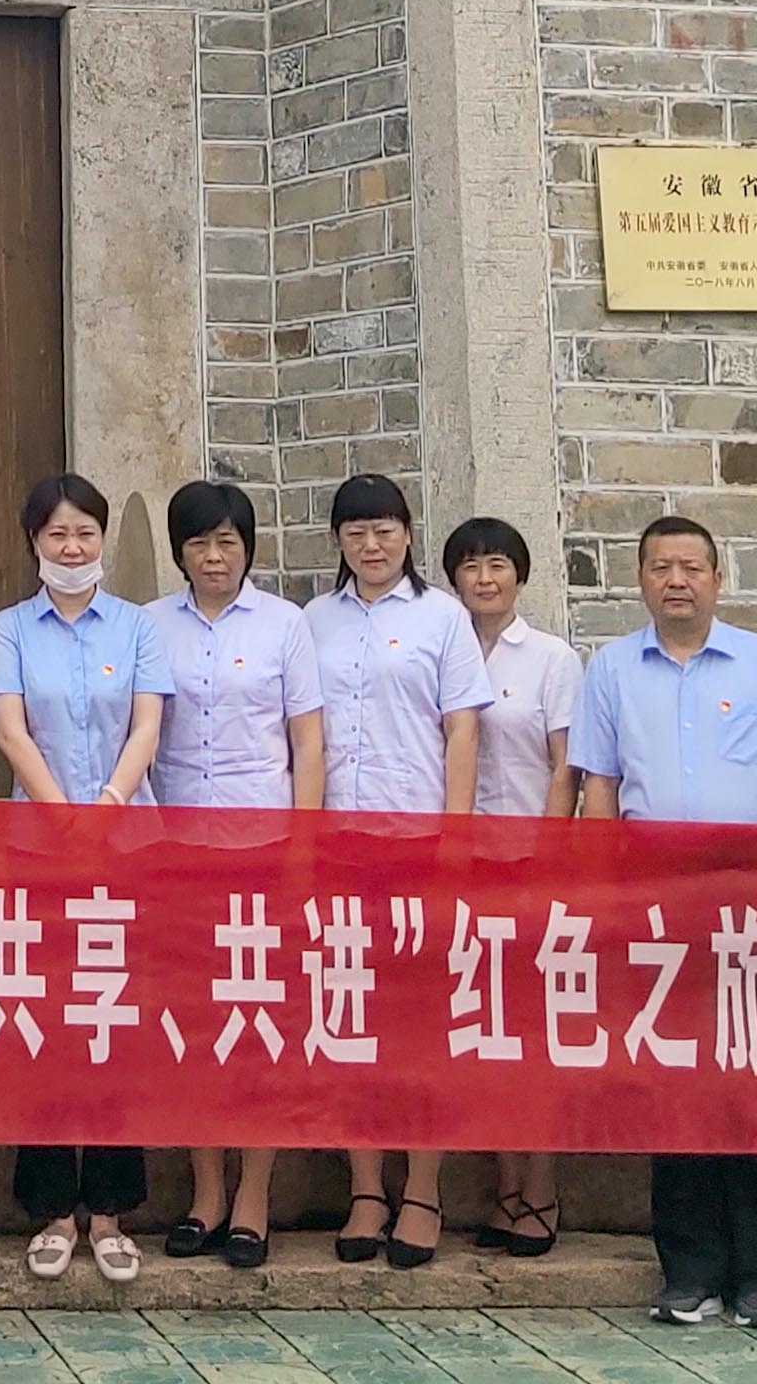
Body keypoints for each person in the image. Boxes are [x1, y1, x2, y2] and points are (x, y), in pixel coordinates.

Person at [571, 515, 757, 1332]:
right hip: (655, 907)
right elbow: (601, 790)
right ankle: (688, 1271)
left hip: (755, 905)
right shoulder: (612, 669)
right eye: (660, 567)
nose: (676, 580)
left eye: (691, 566)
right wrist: (604, 901)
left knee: (753, 1088)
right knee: (674, 1086)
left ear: (719, 579)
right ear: (640, 580)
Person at [0, 474, 167, 1285]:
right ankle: (54, 1209)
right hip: (39, 850)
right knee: (49, 1024)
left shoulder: (137, 626)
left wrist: (110, 806)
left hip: (128, 844)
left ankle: (113, 1211)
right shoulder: (10, 628)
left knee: (117, 1021)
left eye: (85, 532)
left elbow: (147, 725)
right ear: (34, 541)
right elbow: (10, 731)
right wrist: (65, 817)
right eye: (56, 533)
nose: (71, 547)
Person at [301, 474, 488, 1270]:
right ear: (338, 541)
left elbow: (463, 733)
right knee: (350, 1016)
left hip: (418, 843)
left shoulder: (443, 618)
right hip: (340, 846)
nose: (371, 545)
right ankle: (367, 1187)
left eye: (384, 530)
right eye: (355, 532)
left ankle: (423, 1188)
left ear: (408, 534)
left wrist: (455, 841)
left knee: (421, 1021)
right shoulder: (313, 621)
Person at [143, 477, 323, 1271]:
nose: (214, 557)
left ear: (248, 548)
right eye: (199, 543)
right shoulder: (151, 626)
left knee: (259, 1024)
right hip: (180, 852)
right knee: (194, 1025)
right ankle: (206, 1192)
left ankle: (255, 1194)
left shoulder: (285, 625)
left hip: (262, 848)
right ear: (179, 553)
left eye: (228, 542)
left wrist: (303, 848)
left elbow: (308, 743)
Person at [440, 515, 582, 1258]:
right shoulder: (444, 648)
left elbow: (566, 766)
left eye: (497, 564)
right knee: (485, 1030)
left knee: (535, 1031)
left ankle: (543, 1188)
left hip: (530, 866)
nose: (485, 578)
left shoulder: (552, 657)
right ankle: (504, 1188)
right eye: (470, 566)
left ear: (520, 575)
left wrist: (551, 857)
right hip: (463, 867)